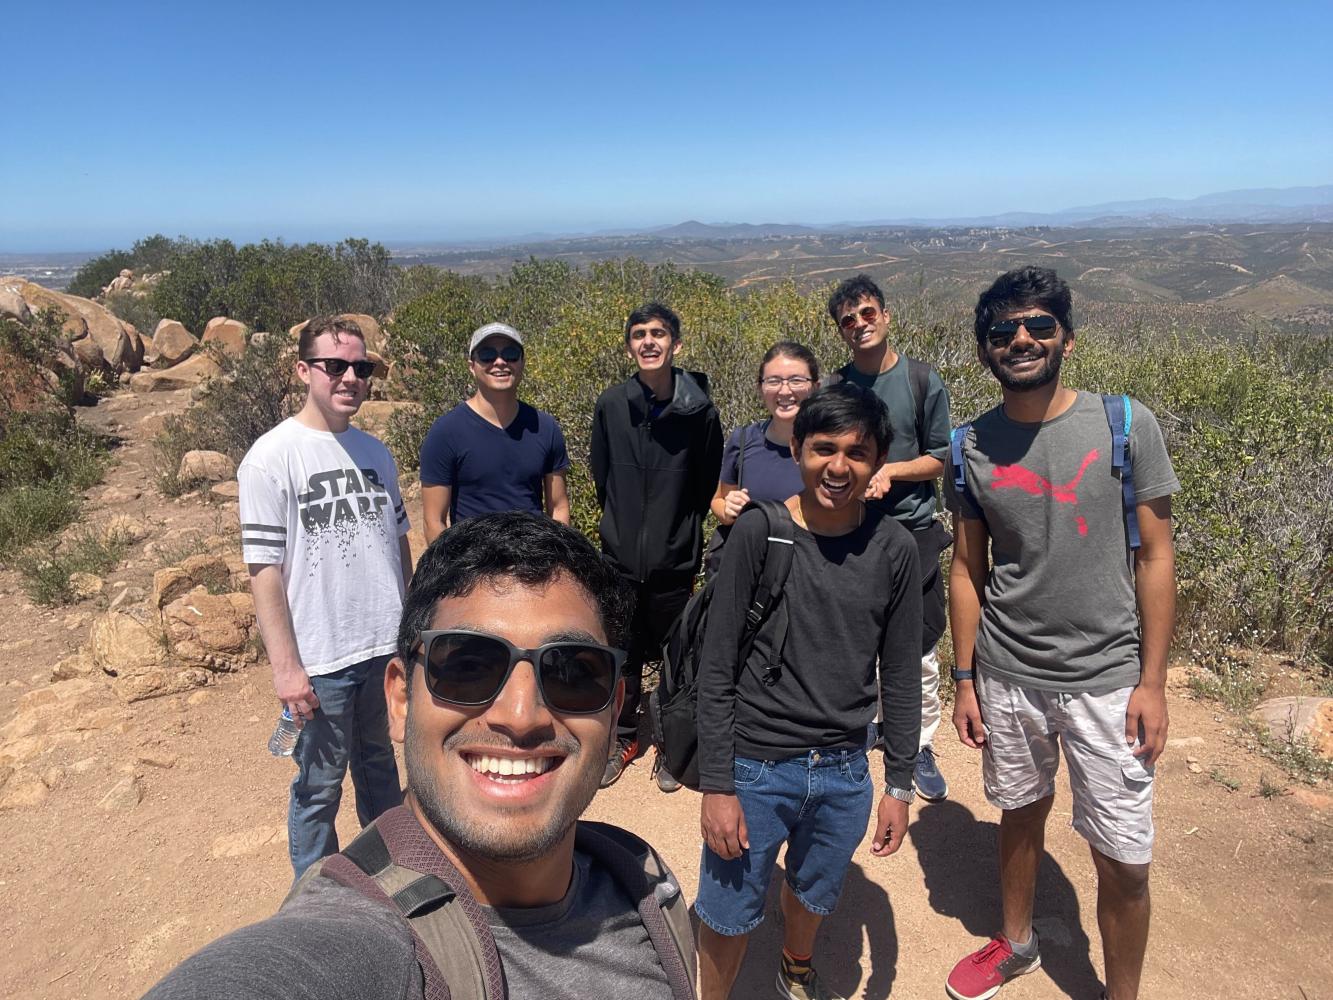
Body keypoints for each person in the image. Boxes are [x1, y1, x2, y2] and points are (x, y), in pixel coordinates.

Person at [144, 513, 697, 1000]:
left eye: (574, 672)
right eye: (468, 666)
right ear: (401, 699)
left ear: (614, 706)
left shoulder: (643, 882)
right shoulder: (361, 942)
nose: (522, 715)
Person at [944, 266, 1179, 1000]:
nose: (1020, 338)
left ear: (1066, 340)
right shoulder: (967, 445)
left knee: (1123, 859)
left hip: (1108, 681)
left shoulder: (1123, 423)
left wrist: (1152, 682)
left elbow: (1158, 554)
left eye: (1038, 325)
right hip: (1009, 672)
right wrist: (963, 678)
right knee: (1018, 810)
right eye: (1003, 330)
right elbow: (964, 568)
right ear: (984, 350)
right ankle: (1016, 943)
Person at [695, 383, 923, 1000]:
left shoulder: (894, 548)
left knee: (814, 889)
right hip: (755, 765)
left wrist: (898, 783)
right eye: (824, 448)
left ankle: (795, 964)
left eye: (858, 451)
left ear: (878, 461)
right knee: (727, 912)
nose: (839, 467)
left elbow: (900, 674)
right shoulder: (759, 533)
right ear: (797, 448)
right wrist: (718, 784)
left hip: (845, 769)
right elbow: (716, 667)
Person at [238, 315, 410, 878]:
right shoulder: (271, 457)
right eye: (334, 366)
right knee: (318, 786)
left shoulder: (376, 453)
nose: (349, 378)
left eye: (360, 367)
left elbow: (398, 546)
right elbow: (264, 573)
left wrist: (406, 635)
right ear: (303, 371)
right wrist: (287, 669)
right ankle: (316, 900)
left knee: (381, 771)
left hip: (381, 648)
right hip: (321, 660)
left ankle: (389, 881)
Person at [826, 274, 954, 802]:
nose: (860, 324)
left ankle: (919, 743)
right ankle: (866, 728)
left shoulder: (922, 381)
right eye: (848, 320)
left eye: (867, 313)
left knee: (918, 647)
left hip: (913, 533)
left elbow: (942, 457)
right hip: (850, 531)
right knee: (856, 641)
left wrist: (892, 472)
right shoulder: (835, 388)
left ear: (886, 315)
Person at [589, 302, 723, 790]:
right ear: (630, 346)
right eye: (639, 334)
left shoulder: (700, 413)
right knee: (620, 655)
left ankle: (671, 745)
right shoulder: (611, 404)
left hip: (674, 561)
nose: (649, 341)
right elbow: (600, 475)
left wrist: (678, 529)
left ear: (676, 345)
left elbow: (707, 481)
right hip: (619, 561)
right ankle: (623, 737)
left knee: (674, 658)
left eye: (659, 333)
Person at [419, 321, 570, 543]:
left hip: (534, 568)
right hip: (475, 569)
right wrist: (456, 575)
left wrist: (557, 559)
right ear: (472, 366)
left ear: (522, 362)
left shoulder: (545, 427)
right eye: (487, 355)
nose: (500, 362)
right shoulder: (445, 433)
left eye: (510, 354)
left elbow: (559, 507)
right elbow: (433, 521)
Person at [705, 341, 818, 574]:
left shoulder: (831, 448)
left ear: (815, 387)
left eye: (796, 380)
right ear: (760, 388)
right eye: (774, 381)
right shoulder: (743, 439)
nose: (784, 391)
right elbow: (718, 499)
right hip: (751, 572)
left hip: (809, 571)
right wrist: (728, 511)